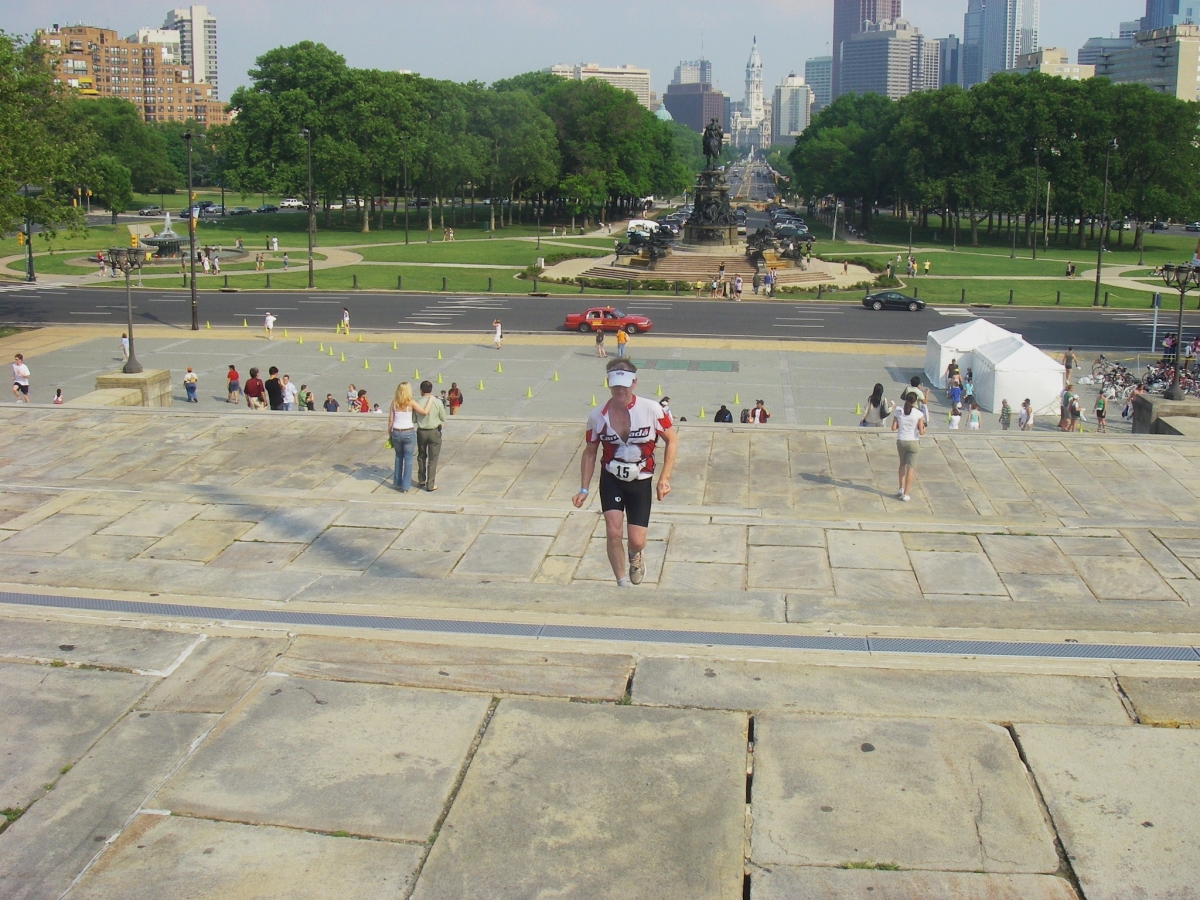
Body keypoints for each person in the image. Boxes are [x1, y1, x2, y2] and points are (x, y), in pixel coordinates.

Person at [573, 359, 678, 587]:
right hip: (611, 477)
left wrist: (664, 478)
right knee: (612, 531)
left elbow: (671, 440)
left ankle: (635, 555)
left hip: (641, 479)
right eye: (616, 386)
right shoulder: (597, 416)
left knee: (637, 540)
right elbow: (590, 452)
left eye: (625, 385)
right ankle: (621, 584)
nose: (621, 390)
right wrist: (583, 488)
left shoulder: (652, 410)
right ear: (609, 384)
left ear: (635, 383)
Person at [387, 382, 425, 492]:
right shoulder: (411, 403)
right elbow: (423, 412)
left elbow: (391, 419)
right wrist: (431, 400)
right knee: (408, 459)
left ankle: (397, 482)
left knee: (398, 456)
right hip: (408, 431)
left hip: (396, 431)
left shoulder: (394, 403)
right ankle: (406, 486)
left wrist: (390, 432)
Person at [892, 392, 926, 502]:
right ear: (915, 401)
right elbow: (921, 432)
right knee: (911, 468)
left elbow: (893, 427)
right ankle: (906, 493)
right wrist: (923, 428)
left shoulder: (898, 411)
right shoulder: (918, 414)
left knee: (902, 464)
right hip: (913, 441)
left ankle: (900, 488)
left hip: (901, 440)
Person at [414, 380, 446, 491]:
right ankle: (430, 484)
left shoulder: (417, 402)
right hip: (434, 431)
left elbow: (413, 419)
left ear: (421, 390)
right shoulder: (437, 402)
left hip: (421, 431)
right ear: (431, 390)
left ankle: (421, 479)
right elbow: (443, 417)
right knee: (433, 459)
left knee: (421, 456)